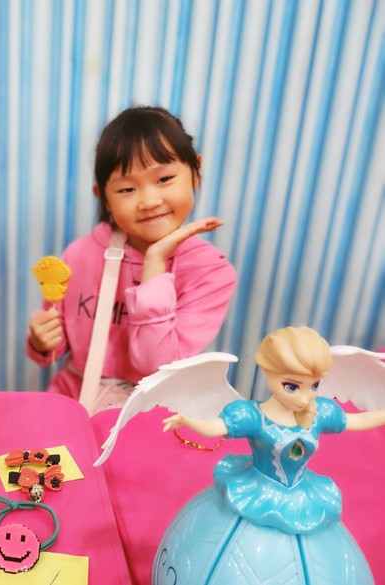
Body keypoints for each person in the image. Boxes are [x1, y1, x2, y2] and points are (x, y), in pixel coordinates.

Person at [27, 106, 236, 409]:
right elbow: (57, 345)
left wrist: (155, 263)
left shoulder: (210, 272)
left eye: (164, 179)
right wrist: (41, 341)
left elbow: (155, 364)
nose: (149, 201)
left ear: (195, 172)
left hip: (150, 409)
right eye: (127, 189)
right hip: (72, 400)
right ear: (103, 198)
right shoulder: (79, 254)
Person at [156, 326, 384, 583]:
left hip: (303, 496)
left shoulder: (318, 413)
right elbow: (213, 427)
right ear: (269, 373)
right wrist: (187, 420)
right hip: (256, 491)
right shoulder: (253, 417)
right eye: (292, 386)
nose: (304, 398)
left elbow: (356, 420)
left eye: (314, 386)